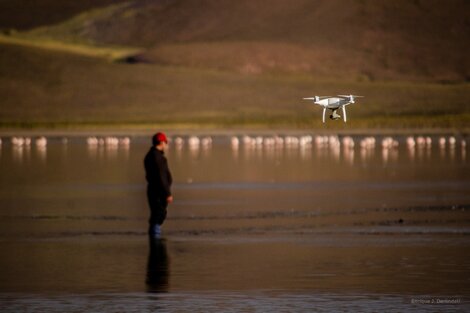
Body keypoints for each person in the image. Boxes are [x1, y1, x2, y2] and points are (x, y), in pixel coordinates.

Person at [144, 132, 173, 237]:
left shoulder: (150, 155)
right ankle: (156, 240)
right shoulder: (157, 158)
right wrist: (167, 193)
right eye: (165, 142)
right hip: (158, 191)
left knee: (157, 215)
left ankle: (155, 239)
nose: (166, 144)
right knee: (158, 215)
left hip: (153, 190)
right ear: (161, 142)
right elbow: (161, 177)